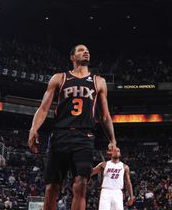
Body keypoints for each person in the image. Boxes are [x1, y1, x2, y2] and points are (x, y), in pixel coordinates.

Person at [28, 44, 118, 210]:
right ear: (72, 57)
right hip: (60, 135)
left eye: (88, 51)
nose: (86, 52)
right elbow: (43, 109)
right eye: (81, 50)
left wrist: (112, 139)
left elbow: (105, 115)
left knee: (81, 183)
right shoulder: (59, 78)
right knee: (52, 188)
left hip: (85, 137)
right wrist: (33, 129)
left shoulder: (99, 82)